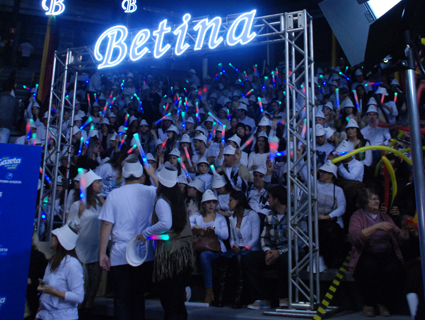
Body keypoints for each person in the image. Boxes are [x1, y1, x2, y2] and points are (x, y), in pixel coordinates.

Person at [98, 155, 157, 320]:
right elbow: (168, 194)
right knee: (138, 299)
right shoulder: (151, 191)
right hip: (143, 251)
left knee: (121, 300)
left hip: (120, 253)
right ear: (140, 174)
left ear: (123, 174)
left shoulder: (115, 195)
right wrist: (153, 176)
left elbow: (107, 225)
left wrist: (102, 253)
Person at [137, 163, 196, 320]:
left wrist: (145, 233)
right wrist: (150, 237)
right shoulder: (178, 200)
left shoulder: (162, 201)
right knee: (177, 303)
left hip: (171, 258)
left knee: (170, 303)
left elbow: (165, 224)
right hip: (183, 254)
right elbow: (167, 235)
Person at [348, 188, 410, 317]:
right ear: (365, 202)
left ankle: (383, 303)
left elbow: (401, 237)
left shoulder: (385, 216)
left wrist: (404, 229)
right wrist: (376, 226)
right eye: (373, 199)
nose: (377, 201)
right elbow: (356, 237)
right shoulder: (357, 216)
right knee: (369, 267)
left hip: (385, 252)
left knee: (393, 269)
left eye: (377, 198)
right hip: (367, 253)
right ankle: (369, 304)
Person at [243, 185, 293, 310]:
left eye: (269, 198)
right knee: (248, 259)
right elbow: (264, 237)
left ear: (276, 200)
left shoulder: (295, 215)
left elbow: (298, 242)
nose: (268, 200)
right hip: (272, 252)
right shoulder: (269, 215)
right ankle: (261, 298)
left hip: (290, 252)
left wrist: (279, 252)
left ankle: (284, 297)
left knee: (285, 260)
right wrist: (268, 252)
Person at [67, 170, 104, 315]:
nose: (101, 184)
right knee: (83, 287)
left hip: (96, 251)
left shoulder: (101, 204)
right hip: (80, 252)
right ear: (89, 186)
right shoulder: (77, 205)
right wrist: (79, 215)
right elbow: (69, 228)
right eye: (97, 182)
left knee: (94, 289)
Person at [215, 191, 260, 308]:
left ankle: (239, 296)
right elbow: (232, 238)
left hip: (250, 249)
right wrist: (233, 246)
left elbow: (255, 238)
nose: (228, 203)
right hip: (237, 248)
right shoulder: (232, 218)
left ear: (238, 201)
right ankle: (221, 295)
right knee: (224, 257)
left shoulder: (252, 215)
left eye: (230, 200)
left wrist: (245, 248)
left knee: (239, 258)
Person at [36, 225, 84, 319]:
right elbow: (46, 292)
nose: (51, 238)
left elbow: (79, 297)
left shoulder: (72, 264)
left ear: (60, 241)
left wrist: (53, 292)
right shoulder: (53, 261)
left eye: (54, 237)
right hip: (46, 315)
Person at [190, 190, 229, 305]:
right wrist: (197, 227)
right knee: (188, 254)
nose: (211, 205)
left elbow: (225, 235)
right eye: (208, 202)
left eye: (213, 202)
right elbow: (187, 222)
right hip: (200, 246)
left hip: (215, 248)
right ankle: (184, 287)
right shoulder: (197, 217)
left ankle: (209, 291)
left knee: (204, 256)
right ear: (203, 204)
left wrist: (213, 229)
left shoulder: (220, 218)